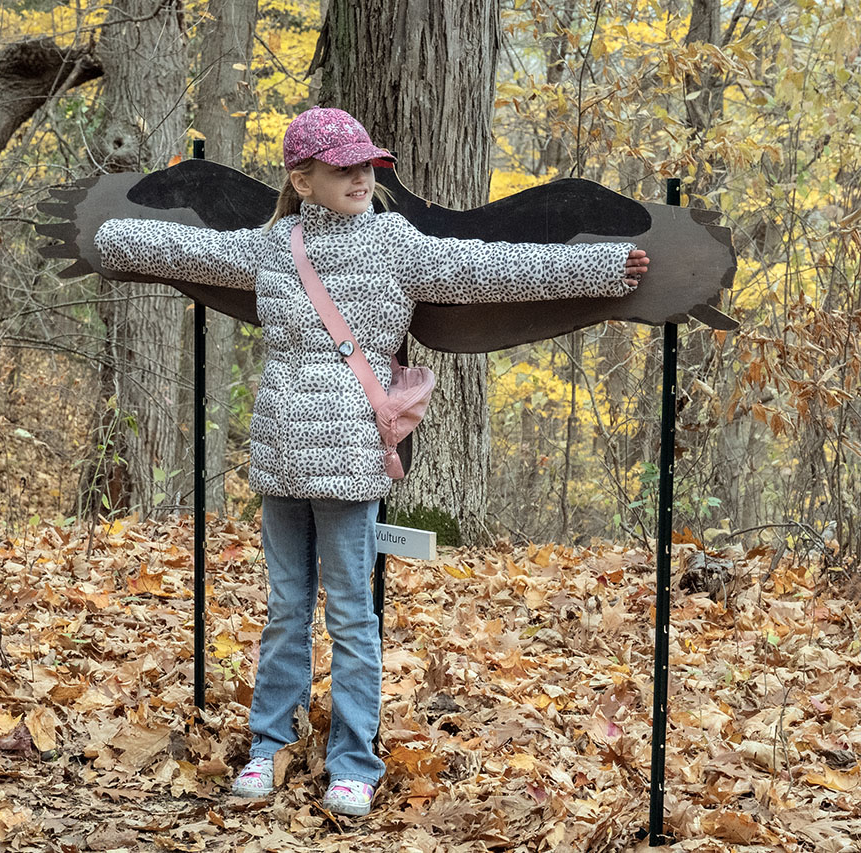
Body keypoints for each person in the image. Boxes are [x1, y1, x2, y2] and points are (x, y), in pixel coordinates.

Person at [94, 107, 650, 817]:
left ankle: (353, 762)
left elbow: (492, 267)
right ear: (302, 180)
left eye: (366, 165)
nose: (361, 177)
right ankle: (269, 745)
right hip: (280, 452)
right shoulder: (276, 244)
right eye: (343, 168)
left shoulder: (393, 242)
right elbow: (186, 250)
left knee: (353, 616)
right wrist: (109, 235)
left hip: (354, 455)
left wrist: (603, 267)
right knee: (286, 610)